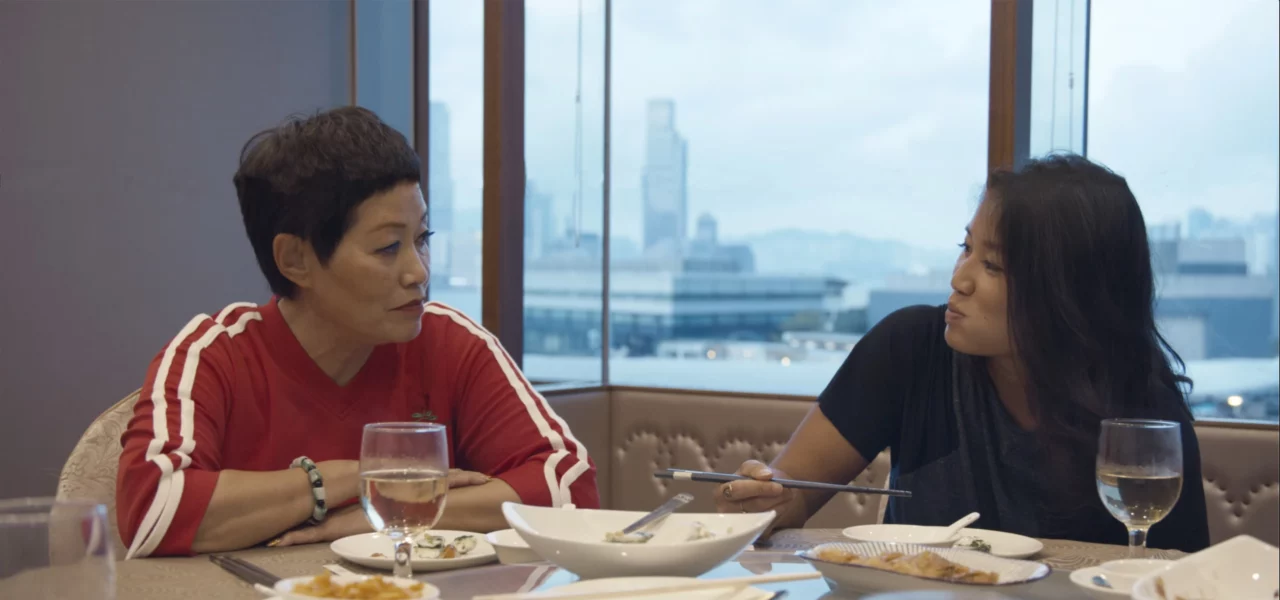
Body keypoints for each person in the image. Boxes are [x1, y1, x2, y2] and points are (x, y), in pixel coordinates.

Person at [116, 107, 598, 559]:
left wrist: (381, 514)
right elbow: (153, 507)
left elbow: (569, 488)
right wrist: (350, 480)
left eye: (422, 239)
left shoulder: (449, 343)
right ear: (295, 260)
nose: (419, 272)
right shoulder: (213, 354)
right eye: (388, 247)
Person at [714, 155, 1210, 552]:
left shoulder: (1143, 406)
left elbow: (1176, 574)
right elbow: (794, 493)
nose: (959, 279)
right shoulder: (912, 348)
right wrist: (767, 500)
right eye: (966, 248)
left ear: (1067, 290)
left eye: (992, 265)